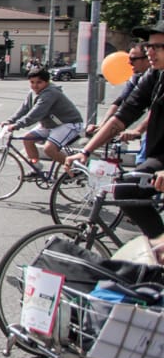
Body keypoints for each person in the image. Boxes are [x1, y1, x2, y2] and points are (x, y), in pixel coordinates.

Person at [69, 21, 164, 244]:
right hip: (158, 156)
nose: (150, 51)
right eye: (149, 45)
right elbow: (123, 115)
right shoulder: (154, 76)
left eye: (158, 46)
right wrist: (86, 151)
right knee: (125, 191)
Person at [1, 67, 83, 172]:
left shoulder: (50, 93)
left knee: (49, 149)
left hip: (68, 123)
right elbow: (24, 108)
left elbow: (35, 114)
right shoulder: (33, 92)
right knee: (27, 139)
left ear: (47, 82)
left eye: (39, 82)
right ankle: (36, 167)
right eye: (32, 82)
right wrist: (10, 120)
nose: (35, 85)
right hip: (50, 124)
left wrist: (17, 125)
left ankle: (74, 169)